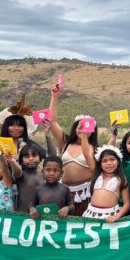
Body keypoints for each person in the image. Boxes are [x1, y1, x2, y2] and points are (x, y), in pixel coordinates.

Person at [48, 84, 98, 215]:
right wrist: (54, 97)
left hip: (84, 195)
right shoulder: (66, 143)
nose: (82, 129)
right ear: (75, 128)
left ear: (93, 130)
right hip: (63, 191)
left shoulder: (95, 149)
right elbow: (52, 122)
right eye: (79, 126)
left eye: (87, 127)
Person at [83, 145, 130, 222]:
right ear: (100, 164)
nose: (109, 163)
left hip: (110, 217)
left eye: (112, 159)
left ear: (118, 161)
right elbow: (86, 154)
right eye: (104, 161)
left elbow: (127, 204)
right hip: (90, 215)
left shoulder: (121, 179)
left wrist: (116, 216)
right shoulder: (96, 175)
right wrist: (84, 137)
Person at [14, 141, 46, 213]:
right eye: (27, 156)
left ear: (40, 158)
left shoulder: (42, 176)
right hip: (23, 215)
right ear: (21, 160)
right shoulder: (21, 175)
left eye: (34, 155)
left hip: (40, 215)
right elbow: (17, 169)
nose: (31, 158)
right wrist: (12, 161)